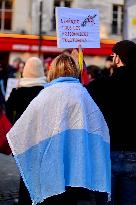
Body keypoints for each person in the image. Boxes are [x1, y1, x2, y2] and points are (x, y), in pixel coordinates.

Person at [6, 54, 111, 205]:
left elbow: (23, 129)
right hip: (75, 170)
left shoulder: (46, 95)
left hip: (49, 168)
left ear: (53, 70)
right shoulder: (82, 94)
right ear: (74, 70)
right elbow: (99, 129)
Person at [86, 40, 136, 205]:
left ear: (118, 59)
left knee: (106, 201)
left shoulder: (102, 85)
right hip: (133, 152)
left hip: (107, 150)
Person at [6, 56, 47, 204]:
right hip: (43, 137)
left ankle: (25, 200)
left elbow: (8, 113)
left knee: (26, 173)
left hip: (23, 138)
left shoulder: (18, 91)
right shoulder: (46, 90)